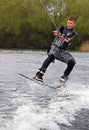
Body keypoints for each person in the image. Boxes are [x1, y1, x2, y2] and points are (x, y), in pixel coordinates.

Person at [34, 15, 78, 85]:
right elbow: (56, 32)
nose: (69, 24)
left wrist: (64, 38)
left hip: (63, 51)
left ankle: (63, 79)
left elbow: (68, 40)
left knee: (72, 62)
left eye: (71, 23)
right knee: (52, 55)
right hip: (54, 47)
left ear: (74, 24)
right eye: (68, 22)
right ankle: (39, 74)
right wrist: (57, 33)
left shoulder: (74, 33)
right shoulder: (62, 27)